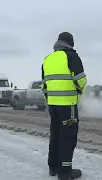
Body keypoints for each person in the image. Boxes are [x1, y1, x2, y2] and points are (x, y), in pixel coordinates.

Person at [41, 32, 87, 180]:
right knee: (67, 137)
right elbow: (81, 80)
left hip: (53, 106)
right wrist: (78, 94)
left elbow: (44, 86)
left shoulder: (47, 59)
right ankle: (65, 171)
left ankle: (53, 167)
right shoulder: (71, 56)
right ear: (70, 43)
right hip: (68, 106)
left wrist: (50, 100)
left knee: (55, 135)